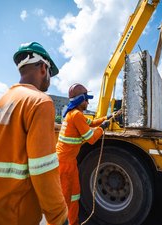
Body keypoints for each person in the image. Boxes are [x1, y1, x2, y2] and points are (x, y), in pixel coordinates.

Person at [0, 42, 69, 225]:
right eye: (50, 74)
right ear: (44, 68)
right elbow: (43, 168)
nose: (50, 79)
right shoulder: (40, 102)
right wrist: (59, 216)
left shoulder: (0, 102)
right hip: (13, 210)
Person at [56, 83, 121, 225]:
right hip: (64, 164)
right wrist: (103, 128)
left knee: (74, 196)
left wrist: (106, 118)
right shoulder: (76, 116)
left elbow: (91, 123)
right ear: (80, 100)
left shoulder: (74, 114)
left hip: (69, 162)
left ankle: (73, 223)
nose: (88, 102)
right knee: (63, 201)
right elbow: (91, 138)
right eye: (86, 99)